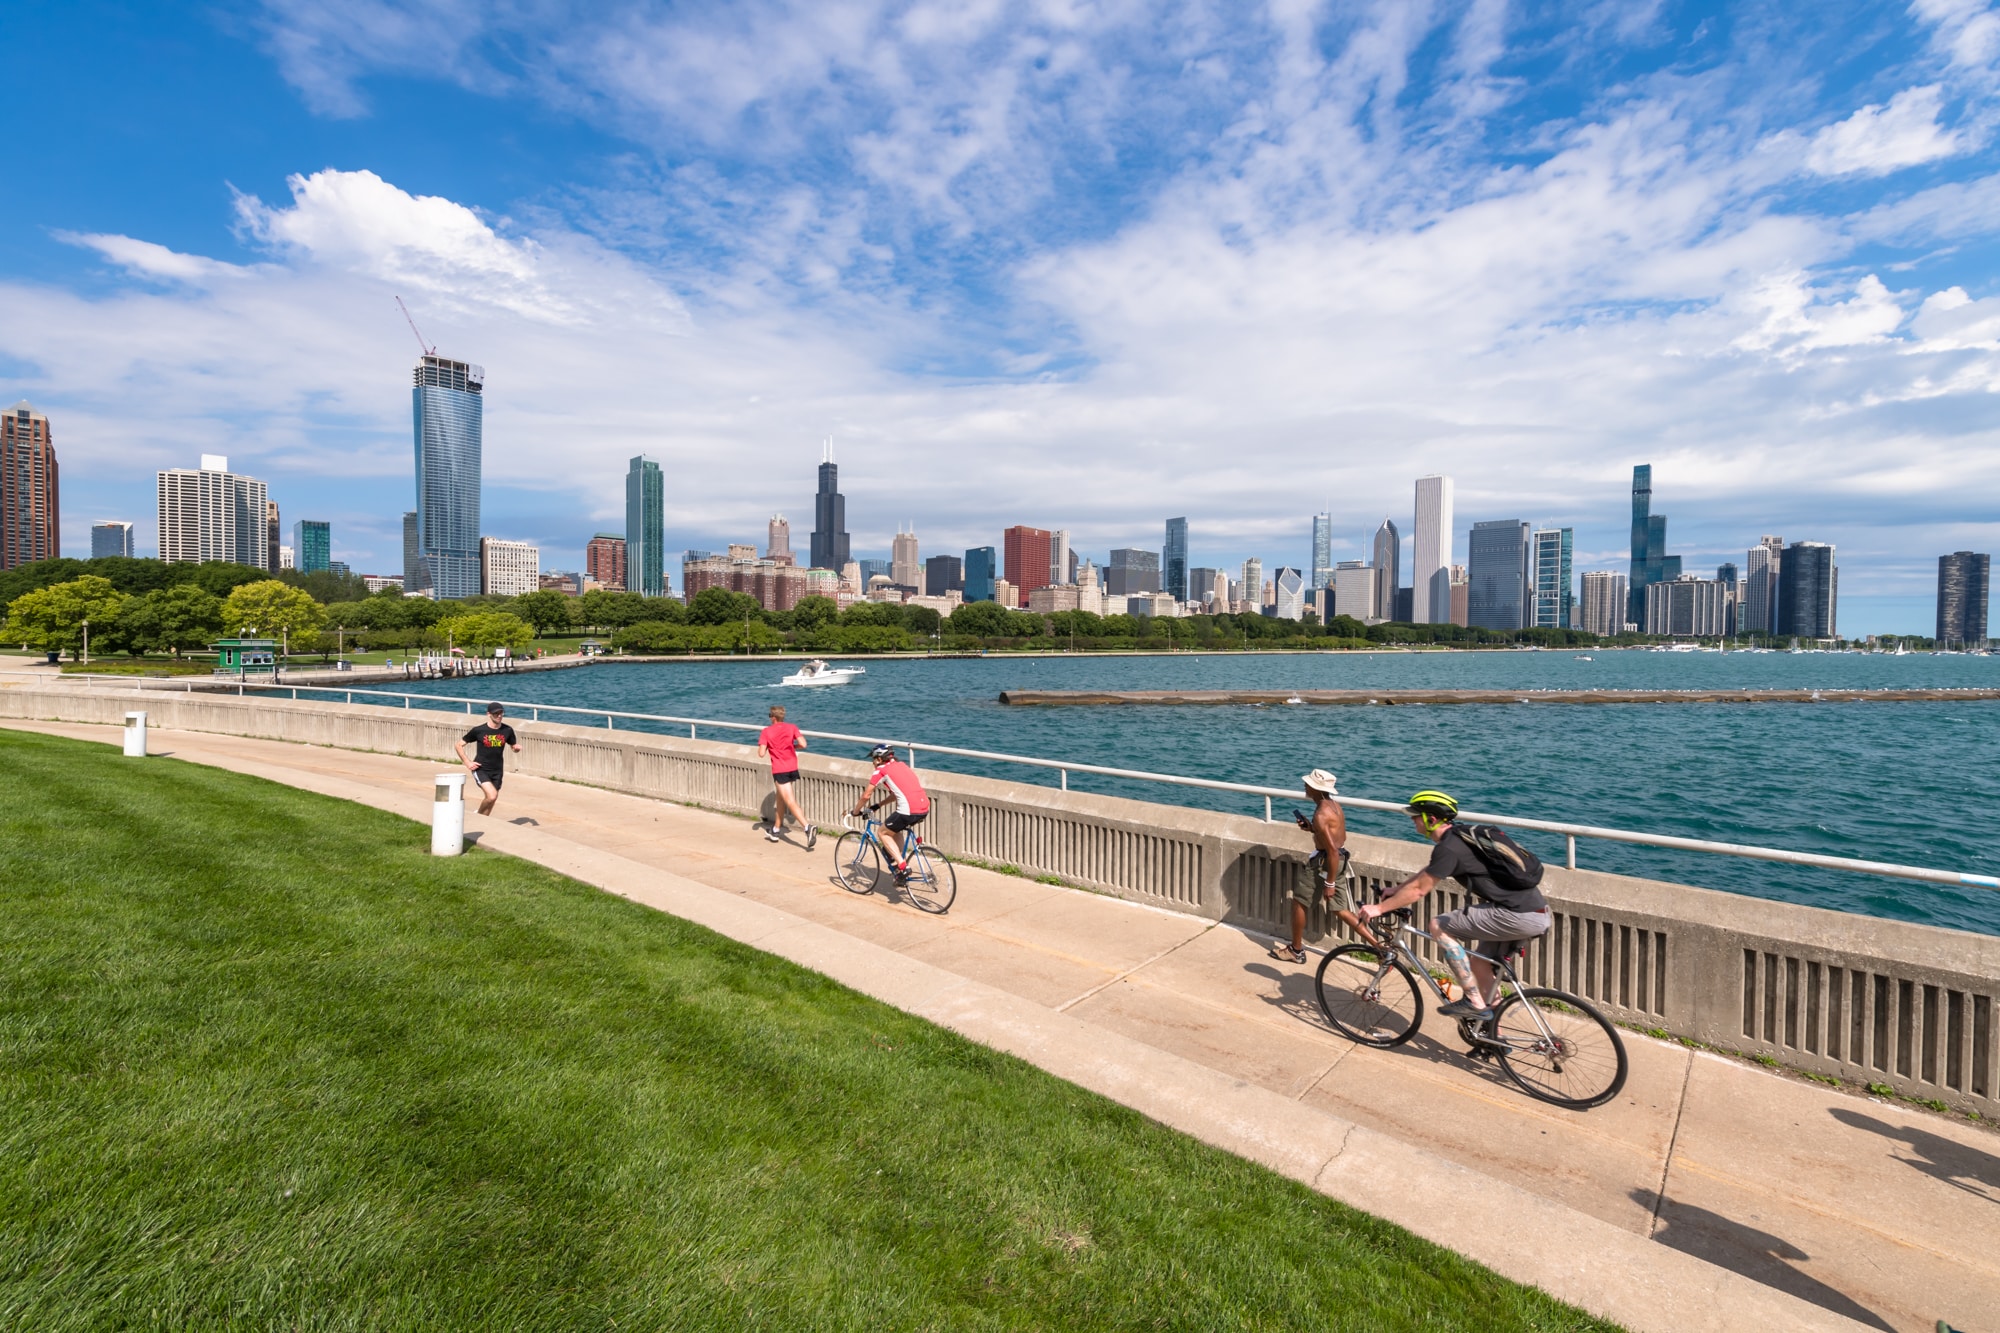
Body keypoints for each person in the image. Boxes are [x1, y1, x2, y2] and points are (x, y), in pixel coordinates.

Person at [1357, 790, 1550, 1021]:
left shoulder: (1449, 848)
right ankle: (1492, 1034)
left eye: (1417, 816)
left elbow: (1420, 890)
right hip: (1535, 912)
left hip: (1516, 915)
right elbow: (1427, 874)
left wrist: (1378, 909)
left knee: (1438, 925)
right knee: (1480, 964)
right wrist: (1397, 890)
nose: (1412, 820)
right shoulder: (1458, 836)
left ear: (1433, 819)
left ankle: (1473, 1000)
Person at [1268, 768, 1377, 964]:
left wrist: (1329, 883)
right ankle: (1380, 949)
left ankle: (1296, 950)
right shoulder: (1333, 805)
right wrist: (1311, 828)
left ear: (1316, 789)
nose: (1305, 786)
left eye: (1308, 784)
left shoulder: (1321, 814)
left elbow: (1332, 851)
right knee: (1341, 910)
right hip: (1340, 861)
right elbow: (1334, 840)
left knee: (1299, 902)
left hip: (1324, 862)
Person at [850, 743, 929, 884]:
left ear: (879, 759)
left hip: (908, 810)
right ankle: (899, 868)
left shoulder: (881, 770)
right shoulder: (902, 765)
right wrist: (878, 805)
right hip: (924, 807)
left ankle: (903, 867)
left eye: (873, 759)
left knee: (882, 832)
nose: (873, 763)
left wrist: (856, 811)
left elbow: (866, 795)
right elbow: (895, 794)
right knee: (894, 829)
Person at [758, 703, 814, 849]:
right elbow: (803, 744)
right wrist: (792, 747)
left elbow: (761, 753)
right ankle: (776, 830)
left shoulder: (766, 731)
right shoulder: (792, 727)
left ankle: (807, 827)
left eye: (770, 716)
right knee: (780, 798)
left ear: (773, 717)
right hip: (792, 767)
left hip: (780, 769)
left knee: (789, 800)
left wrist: (769, 746)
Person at [455, 702, 521, 817]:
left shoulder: (507, 730)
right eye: (496, 713)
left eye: (501, 713)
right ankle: (478, 817)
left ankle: (482, 820)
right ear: (488, 714)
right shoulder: (479, 730)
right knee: (492, 796)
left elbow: (512, 746)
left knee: (491, 799)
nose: (499, 716)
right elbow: (459, 745)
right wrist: (467, 762)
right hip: (481, 769)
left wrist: (516, 748)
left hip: (497, 770)